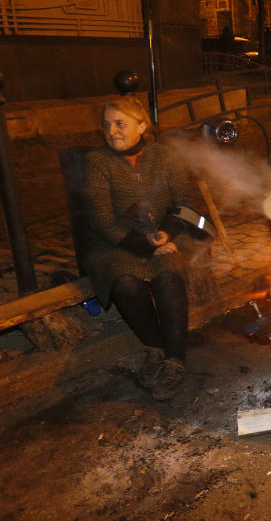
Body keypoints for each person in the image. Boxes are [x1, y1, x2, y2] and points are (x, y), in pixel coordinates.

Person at [83, 96, 194, 401]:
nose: (112, 131)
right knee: (126, 283)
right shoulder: (97, 162)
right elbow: (101, 219)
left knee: (169, 279)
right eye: (107, 125)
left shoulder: (165, 156)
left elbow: (185, 202)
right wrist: (145, 247)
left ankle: (175, 361)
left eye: (121, 123)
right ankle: (155, 346)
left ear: (142, 126)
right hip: (115, 242)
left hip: (162, 238)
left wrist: (166, 234)